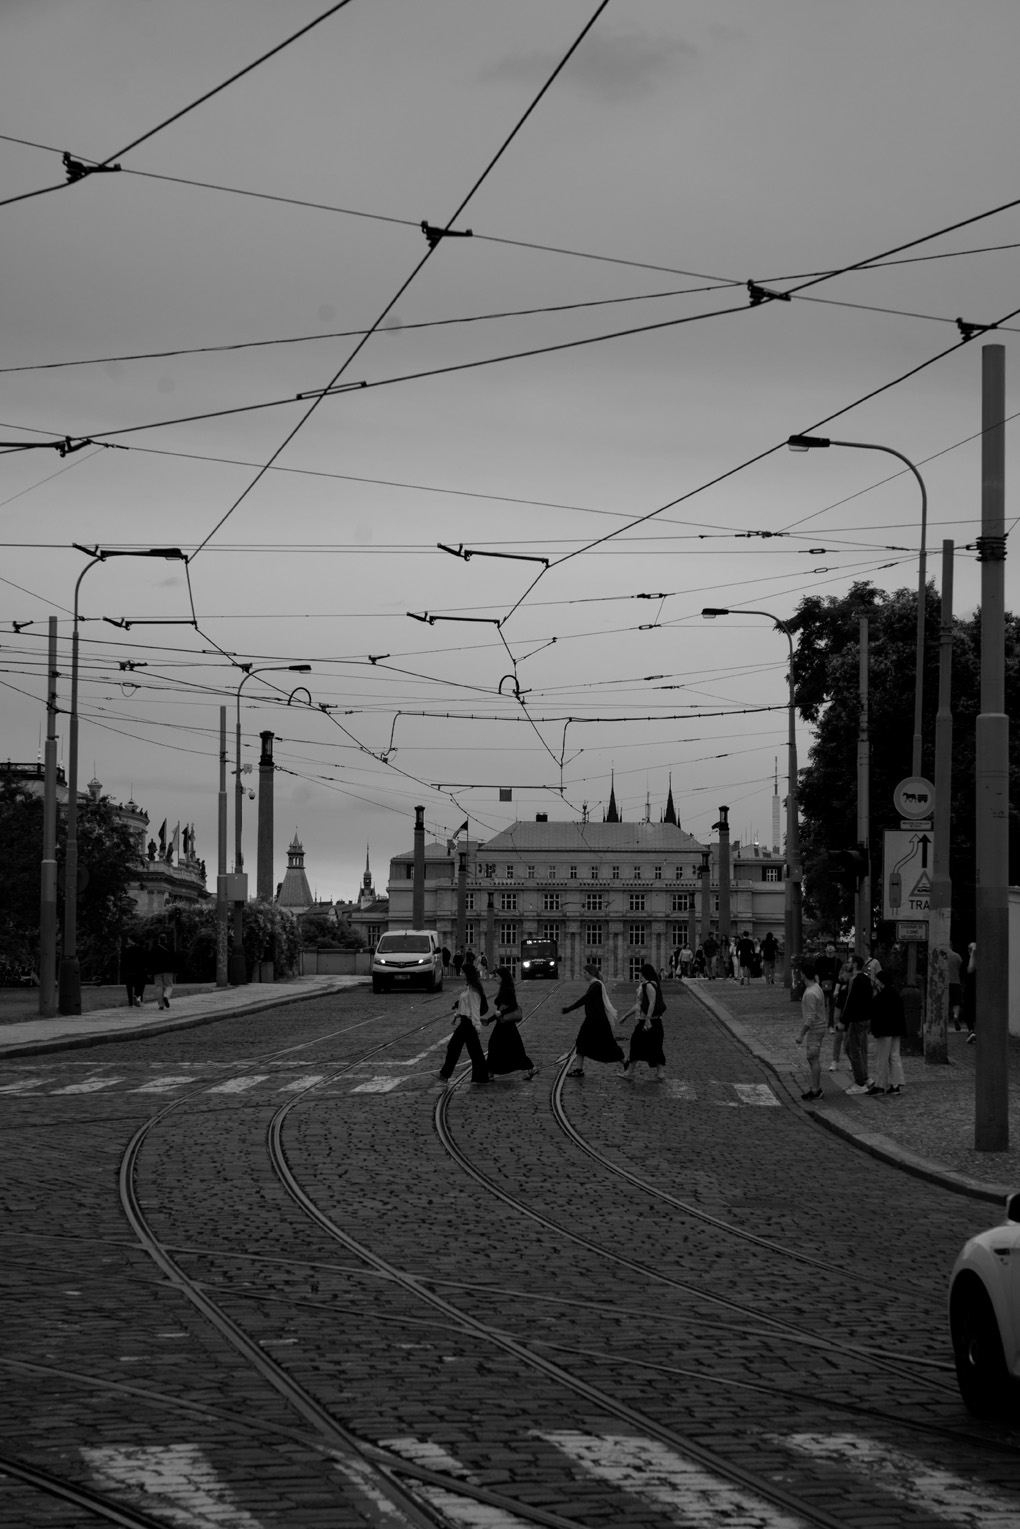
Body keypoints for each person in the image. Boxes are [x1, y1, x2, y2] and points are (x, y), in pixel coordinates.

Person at [562, 963, 624, 1077]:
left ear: (591, 973)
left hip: (597, 1021)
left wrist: (569, 1009)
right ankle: (579, 1069)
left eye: (585, 973)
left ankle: (625, 1063)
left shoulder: (596, 985)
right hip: (593, 1019)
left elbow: (585, 999)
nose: (583, 975)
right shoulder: (594, 984)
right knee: (582, 1042)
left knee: (608, 1043)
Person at [440, 961, 490, 1084]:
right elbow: (464, 1006)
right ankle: (481, 1077)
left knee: (455, 1047)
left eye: (462, 972)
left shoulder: (473, 990)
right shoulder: (469, 987)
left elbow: (474, 1009)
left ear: (467, 973)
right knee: (474, 1051)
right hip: (465, 1022)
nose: (461, 974)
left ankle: (445, 1075)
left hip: (468, 1024)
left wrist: (477, 1026)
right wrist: (456, 1015)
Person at [485, 965, 538, 1080]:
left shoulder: (507, 989)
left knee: (495, 1045)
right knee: (513, 1047)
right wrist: (489, 1020)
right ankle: (530, 1067)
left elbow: (512, 1005)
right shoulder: (504, 988)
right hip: (504, 1023)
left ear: (503, 977)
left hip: (505, 1024)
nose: (495, 978)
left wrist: (501, 1013)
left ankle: (490, 1072)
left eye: (497, 976)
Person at [617, 962, 666, 1079]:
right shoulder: (646, 985)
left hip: (648, 1022)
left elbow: (652, 1002)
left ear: (643, 973)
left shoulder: (648, 985)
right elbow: (639, 1005)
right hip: (652, 1022)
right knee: (655, 1046)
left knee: (636, 1044)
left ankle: (629, 1072)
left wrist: (648, 1019)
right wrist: (625, 1016)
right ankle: (660, 1073)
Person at [840, 955, 875, 1093]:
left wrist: (843, 1020)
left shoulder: (855, 980)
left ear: (854, 965)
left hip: (857, 1019)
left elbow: (851, 1001)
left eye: (849, 962)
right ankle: (864, 1077)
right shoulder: (867, 979)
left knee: (854, 1050)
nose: (847, 964)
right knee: (852, 1048)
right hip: (865, 1018)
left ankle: (860, 1082)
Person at [869, 969, 906, 1095]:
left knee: (882, 1058)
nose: (876, 981)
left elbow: (876, 1014)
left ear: (881, 981)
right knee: (895, 1057)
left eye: (877, 979)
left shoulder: (880, 996)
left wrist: (874, 1030)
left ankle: (880, 1085)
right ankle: (895, 1084)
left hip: (884, 1031)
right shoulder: (895, 994)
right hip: (896, 1029)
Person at [795, 956, 825, 1101]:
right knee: (812, 1057)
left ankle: (816, 1089)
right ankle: (815, 1087)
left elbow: (811, 1017)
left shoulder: (810, 993)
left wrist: (801, 1034)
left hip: (815, 1028)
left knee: (813, 1057)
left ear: (804, 975)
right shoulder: (816, 988)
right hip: (819, 1027)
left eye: (801, 973)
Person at [827, 953, 854, 1073]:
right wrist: (838, 990)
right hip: (840, 1009)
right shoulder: (841, 980)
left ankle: (851, 1061)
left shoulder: (854, 980)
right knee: (838, 1037)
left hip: (849, 1011)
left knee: (848, 1039)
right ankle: (835, 1061)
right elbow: (835, 992)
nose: (844, 975)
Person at [151, 936, 176, 1010]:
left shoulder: (154, 949)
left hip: (157, 971)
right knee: (169, 985)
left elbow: (151, 960)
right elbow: (174, 959)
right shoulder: (170, 948)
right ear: (166, 940)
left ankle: (161, 1005)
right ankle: (166, 996)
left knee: (159, 987)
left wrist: (150, 971)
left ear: (159, 940)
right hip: (168, 970)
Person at [122, 936, 147, 1008]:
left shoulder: (127, 950)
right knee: (139, 987)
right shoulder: (142, 950)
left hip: (129, 971)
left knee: (129, 987)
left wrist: (124, 971)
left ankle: (130, 1002)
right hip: (139, 972)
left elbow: (124, 962)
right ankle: (137, 999)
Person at [947, 944, 963, 1030]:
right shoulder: (957, 956)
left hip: (944, 983)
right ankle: (955, 1016)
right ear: (951, 946)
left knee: (944, 1002)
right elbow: (961, 968)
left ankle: (943, 1020)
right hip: (955, 982)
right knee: (956, 1002)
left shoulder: (941, 955)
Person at [964, 942, 977, 1042]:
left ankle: (972, 1031)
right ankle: (973, 1031)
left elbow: (969, 970)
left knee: (970, 1011)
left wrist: (973, 953)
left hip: (970, 990)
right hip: (976, 990)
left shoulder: (969, 960)